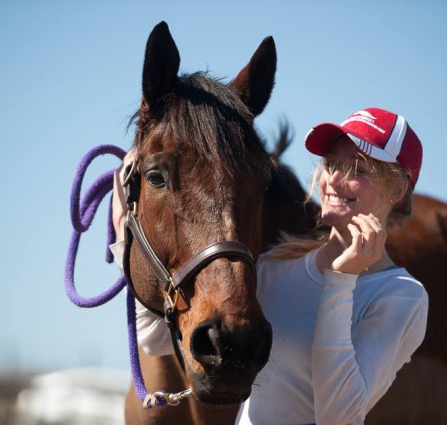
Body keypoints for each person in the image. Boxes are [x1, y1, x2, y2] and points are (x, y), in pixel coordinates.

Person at [110, 107, 429, 425]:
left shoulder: (400, 296)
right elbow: (156, 341)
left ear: (398, 189)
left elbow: (339, 415)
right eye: (332, 164)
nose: (334, 179)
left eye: (357, 169)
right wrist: (127, 227)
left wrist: (341, 281)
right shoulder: (275, 267)